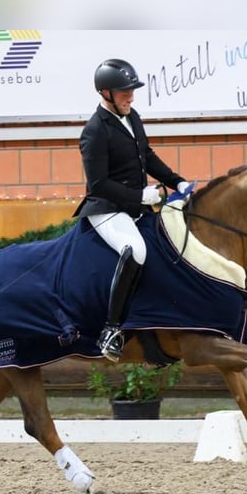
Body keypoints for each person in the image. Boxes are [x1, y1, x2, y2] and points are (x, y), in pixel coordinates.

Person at [73, 58, 193, 362]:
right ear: (105, 93)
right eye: (124, 91)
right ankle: (111, 330)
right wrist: (140, 195)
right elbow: (98, 184)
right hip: (107, 209)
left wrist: (177, 182)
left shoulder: (132, 116)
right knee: (135, 250)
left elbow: (146, 156)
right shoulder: (95, 130)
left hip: (134, 205)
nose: (131, 96)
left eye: (131, 90)